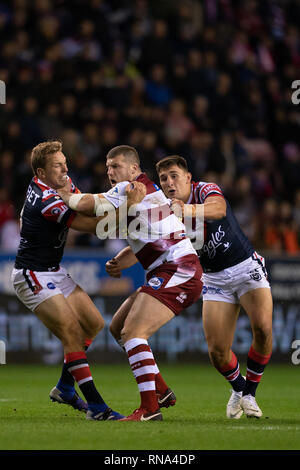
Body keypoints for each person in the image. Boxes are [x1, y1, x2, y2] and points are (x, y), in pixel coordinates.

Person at [58, 145, 203, 421]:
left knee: (134, 333)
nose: (110, 171)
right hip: (171, 268)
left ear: (134, 169)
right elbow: (151, 235)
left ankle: (149, 409)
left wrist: (66, 195)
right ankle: (160, 391)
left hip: (178, 269)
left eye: (116, 166)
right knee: (118, 327)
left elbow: (92, 205)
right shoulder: (144, 193)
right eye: (108, 166)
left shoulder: (130, 188)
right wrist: (122, 259)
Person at [11, 140, 126, 421]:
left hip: (53, 268)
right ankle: (97, 407)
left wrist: (109, 202)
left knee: (93, 323)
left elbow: (84, 204)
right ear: (41, 172)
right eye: (57, 165)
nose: (65, 169)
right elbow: (89, 225)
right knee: (72, 334)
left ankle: (64, 387)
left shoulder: (57, 184)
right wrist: (127, 211)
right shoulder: (47, 199)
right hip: (32, 274)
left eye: (64, 162)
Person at [155, 155, 273, 419]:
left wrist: (185, 211)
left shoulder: (204, 189)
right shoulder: (163, 210)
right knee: (218, 353)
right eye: (164, 178)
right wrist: (123, 257)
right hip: (214, 278)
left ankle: (250, 394)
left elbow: (218, 209)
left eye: (174, 175)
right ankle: (240, 390)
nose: (169, 182)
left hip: (245, 266)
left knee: (263, 329)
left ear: (187, 178)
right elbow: (153, 241)